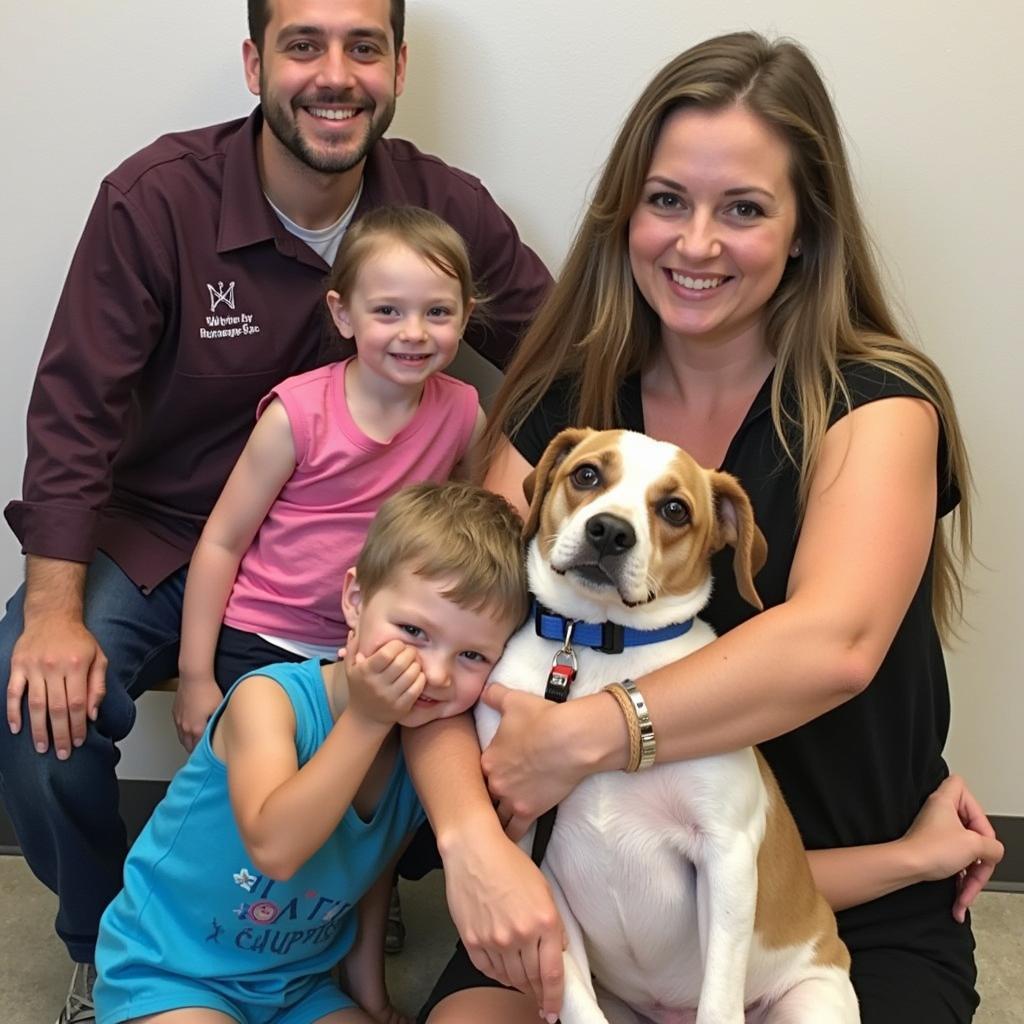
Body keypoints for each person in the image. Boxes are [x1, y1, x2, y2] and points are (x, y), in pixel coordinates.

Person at [403, 32, 1005, 1024]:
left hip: (826, 900)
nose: (695, 244)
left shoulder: (876, 404)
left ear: (806, 229)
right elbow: (435, 633)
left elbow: (834, 646)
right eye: (668, 200)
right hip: (587, 895)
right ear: (625, 213)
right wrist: (471, 842)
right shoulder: (564, 406)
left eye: (744, 210)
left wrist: (580, 739)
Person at [0, 2, 548, 1020]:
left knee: (485, 678)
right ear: (255, 62)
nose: (333, 74)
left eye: (363, 47)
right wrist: (52, 612)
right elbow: (74, 410)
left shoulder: (445, 207)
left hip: (359, 574)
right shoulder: (156, 199)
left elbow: (556, 358)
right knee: (36, 712)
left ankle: (334, 907)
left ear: (398, 67)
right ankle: (108, 936)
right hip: (167, 539)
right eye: (303, 44)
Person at [93, 480, 529, 1024]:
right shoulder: (268, 699)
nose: (434, 674)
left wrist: (370, 999)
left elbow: (372, 877)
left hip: (296, 986)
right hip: (171, 970)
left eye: (471, 654)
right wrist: (368, 721)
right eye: (413, 630)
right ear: (356, 600)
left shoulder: (431, 754)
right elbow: (274, 847)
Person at [174, 204, 484, 752]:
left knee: (358, 799)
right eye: (387, 310)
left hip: (385, 644)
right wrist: (196, 676)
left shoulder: (463, 415)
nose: (413, 333)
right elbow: (222, 541)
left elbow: (480, 524)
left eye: (437, 312)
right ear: (343, 315)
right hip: (266, 636)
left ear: (465, 316)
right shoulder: (296, 414)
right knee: (270, 797)